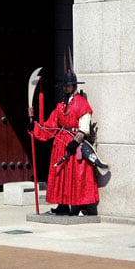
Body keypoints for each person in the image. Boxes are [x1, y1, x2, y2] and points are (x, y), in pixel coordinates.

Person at [28, 70, 99, 216]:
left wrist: (76, 141)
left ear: (73, 86)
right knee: (61, 174)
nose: (65, 88)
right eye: (64, 86)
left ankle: (82, 206)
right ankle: (63, 204)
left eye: (68, 86)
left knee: (78, 175)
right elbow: (50, 126)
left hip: (75, 143)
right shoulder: (60, 105)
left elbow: (84, 127)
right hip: (60, 143)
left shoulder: (82, 103)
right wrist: (34, 127)